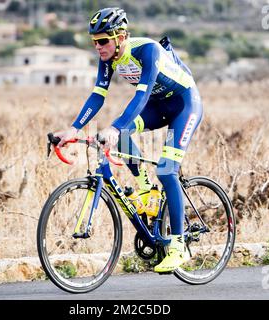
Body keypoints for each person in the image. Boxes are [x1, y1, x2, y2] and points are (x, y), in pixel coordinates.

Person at [54, 7, 203, 272]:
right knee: (118, 132)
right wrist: (74, 129)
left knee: (167, 169)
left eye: (103, 41)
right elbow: (98, 96)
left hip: (183, 105)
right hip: (158, 106)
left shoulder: (148, 50)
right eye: (94, 42)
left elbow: (142, 96)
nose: (98, 47)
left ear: (120, 37)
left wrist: (116, 127)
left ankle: (179, 245)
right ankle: (146, 190)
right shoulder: (108, 58)